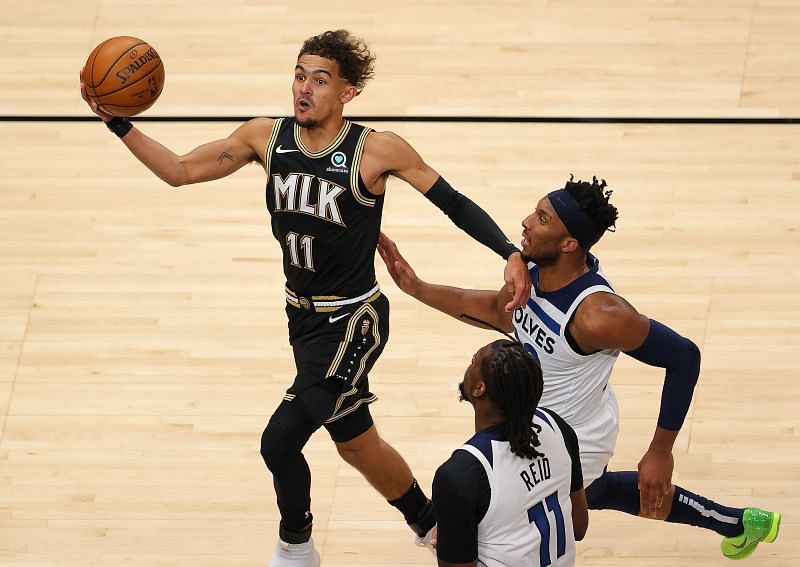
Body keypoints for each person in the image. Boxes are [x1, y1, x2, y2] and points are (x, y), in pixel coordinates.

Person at [79, 29, 531, 567]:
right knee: (356, 442)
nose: (305, 89)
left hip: (354, 320)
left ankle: (296, 545)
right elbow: (179, 171)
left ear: (348, 92)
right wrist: (118, 122)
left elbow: (452, 202)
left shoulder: (375, 149)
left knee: (279, 440)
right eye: (299, 75)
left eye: (321, 80)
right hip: (301, 320)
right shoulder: (264, 138)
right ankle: (431, 524)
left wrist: (508, 251)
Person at [378, 176, 781, 561]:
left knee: (517, 511)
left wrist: (660, 451)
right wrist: (418, 288)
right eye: (535, 212)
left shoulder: (600, 315)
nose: (526, 222)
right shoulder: (532, 273)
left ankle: (735, 521)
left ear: (569, 243)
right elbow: (493, 312)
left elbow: (684, 357)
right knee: (594, 494)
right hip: (537, 418)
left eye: (542, 218)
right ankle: (739, 522)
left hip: (575, 435)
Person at [434, 339, 588, 567]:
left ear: (479, 389)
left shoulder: (461, 476)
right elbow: (578, 526)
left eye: (473, 361)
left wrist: (454, 536)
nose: (470, 365)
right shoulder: (558, 428)